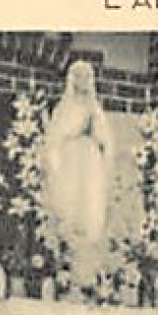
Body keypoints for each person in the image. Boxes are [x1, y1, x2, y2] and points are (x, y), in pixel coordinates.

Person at [46, 60, 114, 249]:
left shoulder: (95, 109)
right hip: (69, 161)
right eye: (79, 76)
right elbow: (54, 140)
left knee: (89, 201)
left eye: (87, 77)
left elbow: (105, 141)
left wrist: (93, 131)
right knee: (67, 203)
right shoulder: (64, 108)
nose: (83, 81)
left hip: (89, 162)